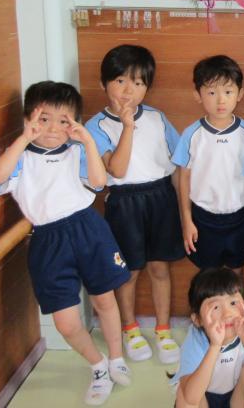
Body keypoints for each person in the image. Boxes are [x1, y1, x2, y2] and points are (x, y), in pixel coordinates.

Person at [0, 82, 131, 405]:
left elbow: (99, 182)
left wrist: (88, 142)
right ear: (28, 118)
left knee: (105, 300)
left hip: (87, 228)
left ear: (74, 123)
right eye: (44, 119)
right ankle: (98, 366)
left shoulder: (76, 151)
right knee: (66, 322)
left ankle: (116, 357)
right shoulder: (20, 156)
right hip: (47, 240)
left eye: (64, 120)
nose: (53, 128)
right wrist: (24, 138)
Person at [85, 45, 184, 365]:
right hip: (124, 202)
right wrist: (127, 126)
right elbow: (116, 169)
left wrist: (184, 209)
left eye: (139, 83)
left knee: (159, 267)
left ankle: (163, 329)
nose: (129, 91)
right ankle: (130, 328)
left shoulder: (157, 118)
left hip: (161, 197)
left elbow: (179, 163)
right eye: (121, 81)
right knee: (129, 271)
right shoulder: (95, 127)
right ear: (103, 84)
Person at [172, 55, 244, 272]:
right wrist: (186, 220)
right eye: (212, 92)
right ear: (198, 95)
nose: (221, 100)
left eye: (228, 92)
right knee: (207, 275)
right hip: (203, 217)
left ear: (240, 94)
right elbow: (183, 179)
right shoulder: (191, 134)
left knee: (236, 272)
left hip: (242, 214)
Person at [173, 267, 244, 408]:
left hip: (236, 397)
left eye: (233, 303)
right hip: (203, 398)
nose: (227, 313)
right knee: (184, 392)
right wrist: (215, 346)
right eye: (216, 307)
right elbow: (191, 398)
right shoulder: (196, 338)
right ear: (197, 320)